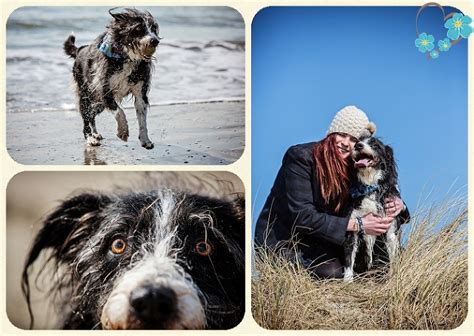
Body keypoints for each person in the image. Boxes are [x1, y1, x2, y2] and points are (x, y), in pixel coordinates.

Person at [254, 105, 409, 279]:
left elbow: (381, 185)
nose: (345, 143)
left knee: (381, 263)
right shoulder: (300, 157)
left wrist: (400, 206)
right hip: (285, 241)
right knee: (332, 273)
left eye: (353, 140)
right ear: (331, 134)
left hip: (322, 240)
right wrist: (359, 224)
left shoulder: (354, 166)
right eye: (341, 135)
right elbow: (303, 217)